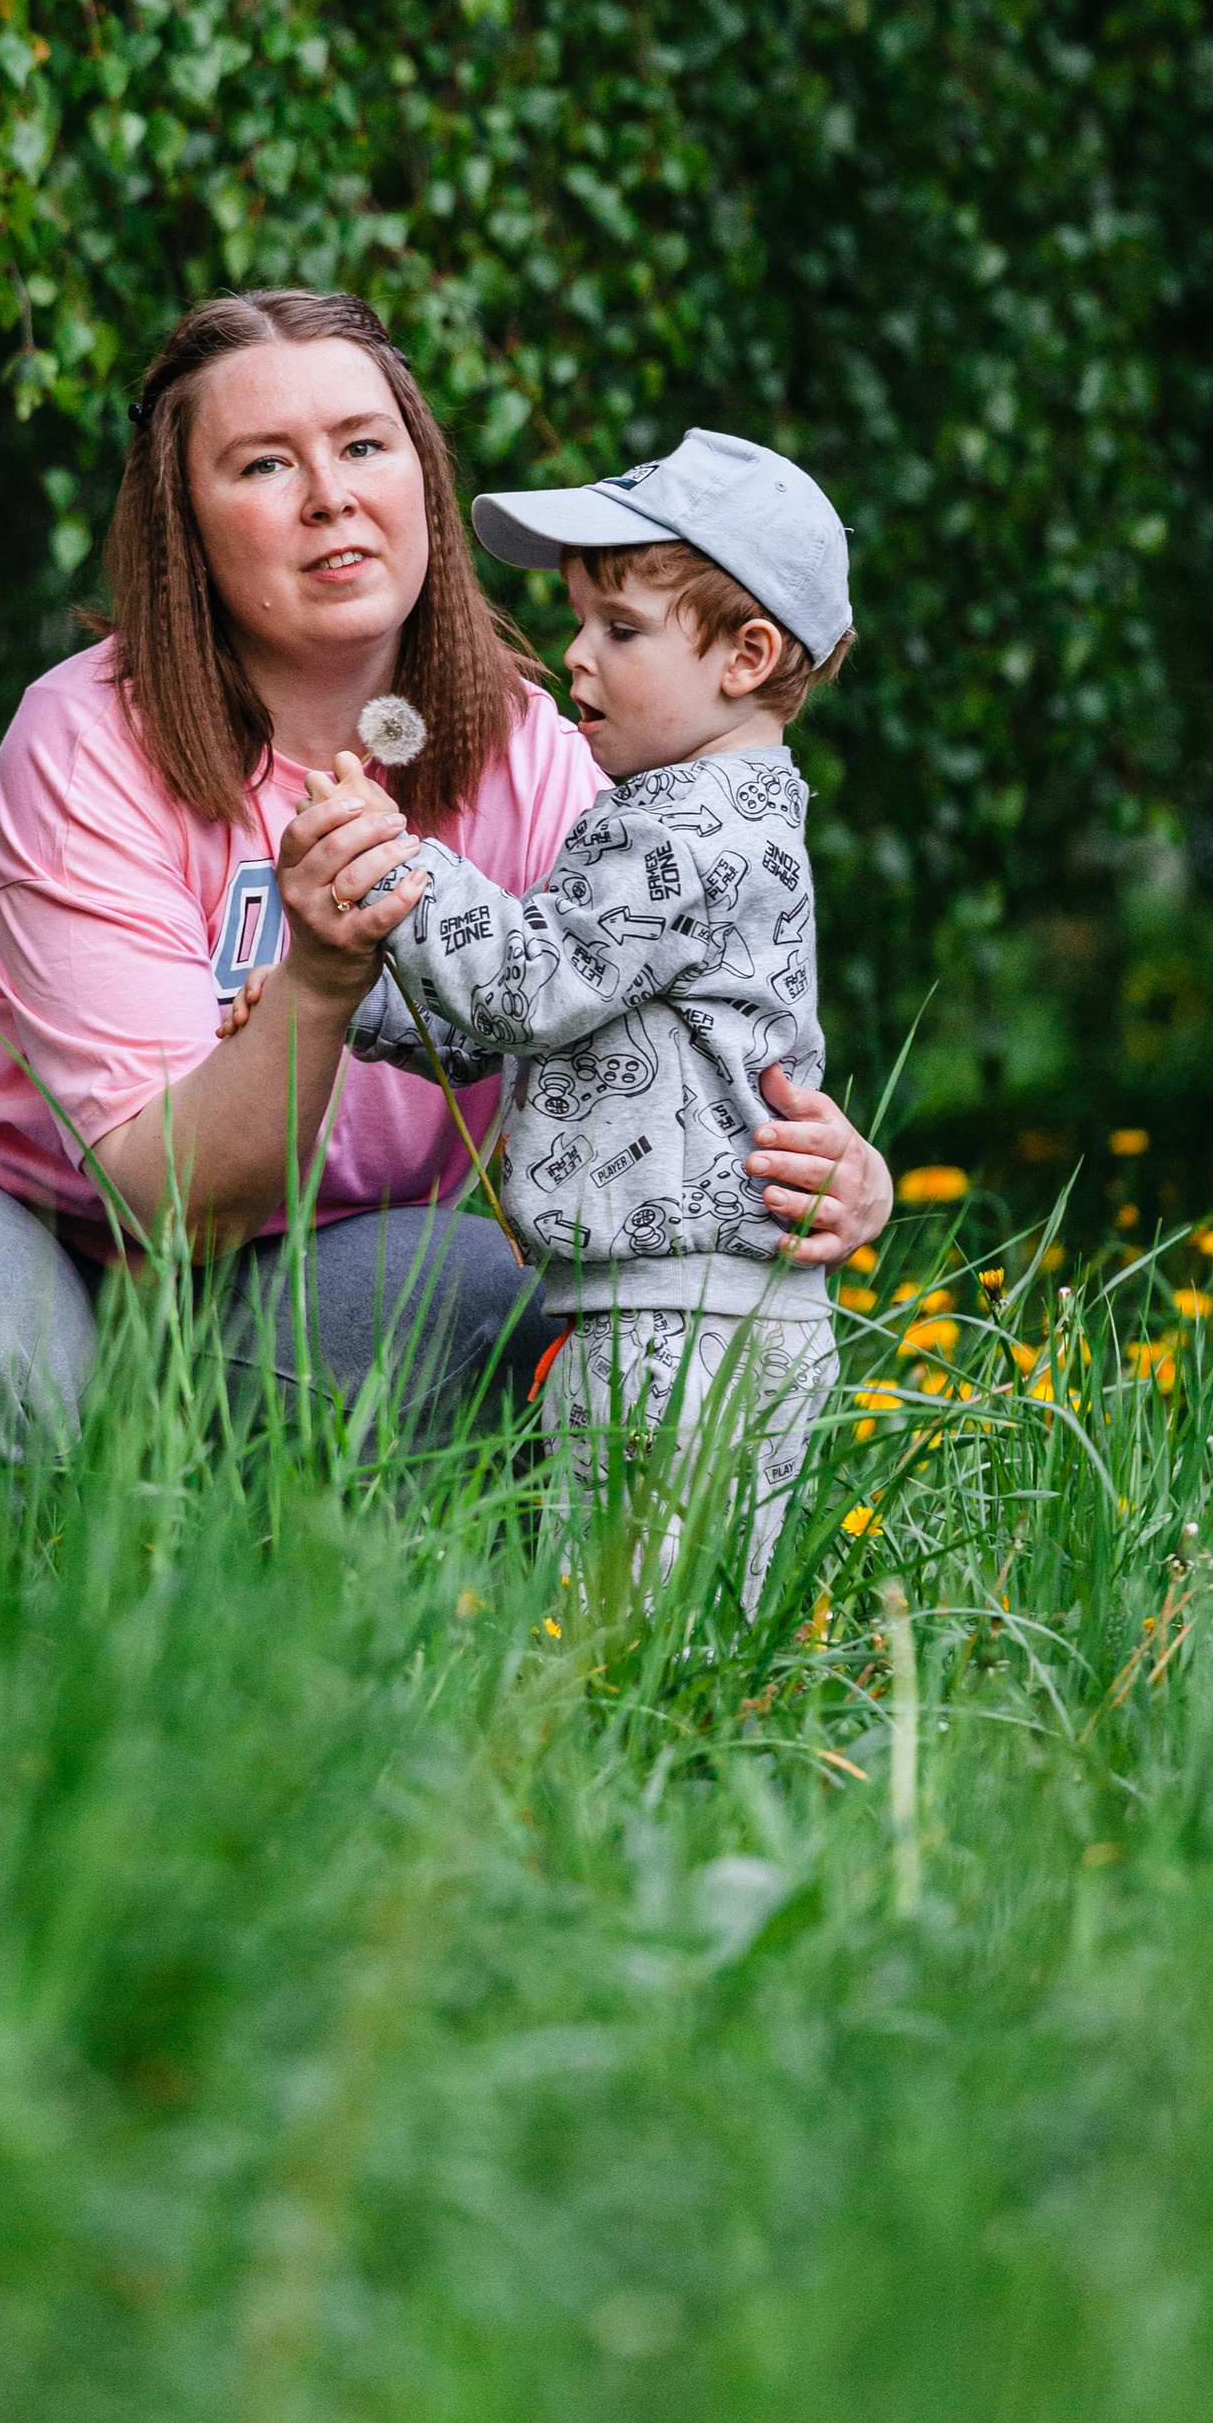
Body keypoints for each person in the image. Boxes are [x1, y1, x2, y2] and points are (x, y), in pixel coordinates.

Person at [0, 292, 895, 1509]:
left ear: (422, 483)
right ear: (188, 525)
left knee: (526, 1320)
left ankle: (282, 1617)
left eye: (363, 446)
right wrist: (326, 975)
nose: (329, 493)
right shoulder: (82, 743)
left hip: (298, 1269)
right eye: (266, 463)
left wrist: (815, 1166)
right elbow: (164, 1196)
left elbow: (675, 1014)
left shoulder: (543, 758)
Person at [291, 428, 855, 1599]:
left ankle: (639, 1776)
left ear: (746, 655)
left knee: (622, 1633)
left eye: (620, 629)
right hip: (716, 1313)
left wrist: (395, 870)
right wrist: (345, 1001)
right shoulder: (729, 817)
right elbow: (549, 1017)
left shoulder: (680, 830)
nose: (574, 657)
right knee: (686, 1623)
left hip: (673, 1329)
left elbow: (530, 987)